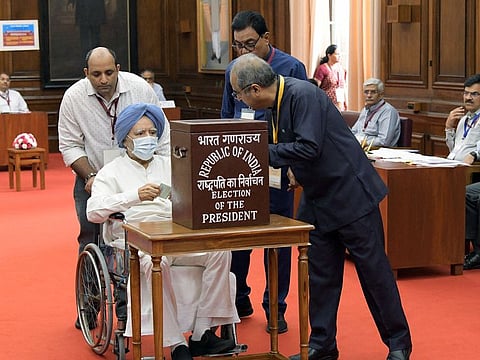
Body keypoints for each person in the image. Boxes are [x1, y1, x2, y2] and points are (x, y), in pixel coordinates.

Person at [230, 53, 412, 360]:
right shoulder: (272, 107)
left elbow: (308, 147)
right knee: (320, 277)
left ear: (255, 89)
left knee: (374, 274)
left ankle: (398, 344)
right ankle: (322, 345)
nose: (239, 100)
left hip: (350, 195)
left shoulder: (303, 95)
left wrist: (259, 149)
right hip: (316, 200)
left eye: (239, 94)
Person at [86, 103, 238, 359]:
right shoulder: (110, 173)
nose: (148, 139)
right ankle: (176, 343)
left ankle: (202, 333)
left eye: (152, 132)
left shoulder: (172, 164)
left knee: (220, 252)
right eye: (140, 134)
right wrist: (134, 196)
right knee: (158, 264)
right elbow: (94, 211)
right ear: (125, 139)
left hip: (176, 234)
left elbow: (196, 196)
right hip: (137, 240)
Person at [58, 47, 171, 329]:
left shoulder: (139, 89)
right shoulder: (73, 97)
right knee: (90, 237)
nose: (104, 79)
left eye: (109, 72)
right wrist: (91, 176)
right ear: (87, 74)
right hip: (93, 174)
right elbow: (70, 145)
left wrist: (164, 169)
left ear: (118, 69)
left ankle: (126, 307)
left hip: (138, 171)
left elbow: (163, 134)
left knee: (128, 241)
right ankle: (89, 305)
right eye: (96, 74)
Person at [221, 10, 308, 334]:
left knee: (277, 242)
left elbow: (303, 126)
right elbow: (226, 118)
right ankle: (239, 296)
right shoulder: (233, 70)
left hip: (279, 171)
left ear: (266, 38)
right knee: (237, 238)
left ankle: (276, 308)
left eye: (250, 44)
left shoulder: (291, 68)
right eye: (238, 46)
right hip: (241, 169)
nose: (244, 52)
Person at [350, 78, 400, 147]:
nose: (369, 95)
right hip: (360, 148)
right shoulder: (365, 109)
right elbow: (354, 131)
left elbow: (384, 141)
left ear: (381, 94)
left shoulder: (388, 111)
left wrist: (363, 142)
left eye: (373, 92)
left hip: (378, 152)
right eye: (366, 92)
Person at [445, 74, 480, 164]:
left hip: (470, 171)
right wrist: (449, 127)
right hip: (454, 165)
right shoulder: (464, 119)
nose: (468, 98)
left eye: (474, 94)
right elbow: (454, 150)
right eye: (466, 93)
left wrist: (474, 154)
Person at [313, 44, 347, 111]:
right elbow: (315, 87)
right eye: (336, 54)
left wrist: (345, 102)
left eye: (339, 54)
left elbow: (343, 87)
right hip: (326, 104)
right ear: (329, 55)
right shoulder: (322, 68)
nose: (339, 56)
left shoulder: (341, 69)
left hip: (340, 104)